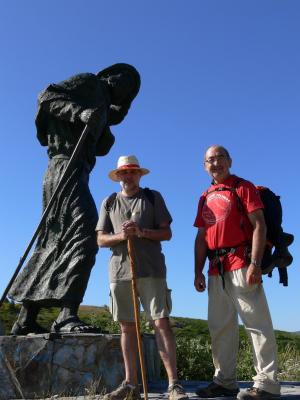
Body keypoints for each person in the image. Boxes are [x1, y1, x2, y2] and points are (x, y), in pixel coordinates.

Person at [8, 64, 141, 335]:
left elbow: (103, 137)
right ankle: (67, 314)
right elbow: (46, 96)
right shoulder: (90, 84)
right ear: (109, 75)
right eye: (125, 79)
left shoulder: (102, 105)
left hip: (76, 170)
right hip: (64, 166)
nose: (126, 86)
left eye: (131, 87)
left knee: (55, 237)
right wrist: (79, 112)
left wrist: (103, 121)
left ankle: (26, 316)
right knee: (86, 230)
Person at [96, 155, 188, 400]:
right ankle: (130, 385)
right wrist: (121, 236)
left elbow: (167, 233)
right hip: (119, 271)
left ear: (139, 175)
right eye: (124, 172)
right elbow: (101, 239)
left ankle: (174, 385)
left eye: (133, 172)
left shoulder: (152, 197)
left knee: (161, 323)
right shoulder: (109, 202)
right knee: (127, 327)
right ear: (118, 177)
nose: (129, 176)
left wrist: (141, 232)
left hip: (152, 270)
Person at [193, 145, 280, 400]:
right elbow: (201, 237)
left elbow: (259, 225)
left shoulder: (243, 186)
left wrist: (255, 263)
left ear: (229, 161)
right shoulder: (204, 196)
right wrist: (197, 271)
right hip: (214, 269)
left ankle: (267, 385)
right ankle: (225, 381)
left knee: (257, 325)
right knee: (220, 328)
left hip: (241, 263)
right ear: (204, 165)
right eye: (210, 159)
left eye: (220, 157)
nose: (215, 162)